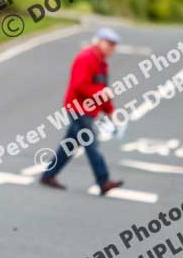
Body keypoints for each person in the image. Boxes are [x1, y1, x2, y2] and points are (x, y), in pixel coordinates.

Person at [40, 28, 125, 195]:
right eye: (109, 44)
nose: (111, 48)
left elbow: (102, 89)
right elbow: (80, 86)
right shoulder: (86, 58)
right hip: (78, 109)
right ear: (99, 41)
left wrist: (109, 111)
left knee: (69, 145)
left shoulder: (102, 63)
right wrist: (102, 95)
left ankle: (48, 175)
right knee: (92, 145)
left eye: (114, 45)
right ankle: (103, 181)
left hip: (88, 111)